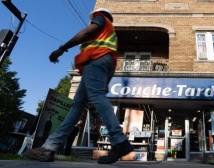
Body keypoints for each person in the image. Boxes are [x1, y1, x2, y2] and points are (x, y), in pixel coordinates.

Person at [23, 8, 133, 164]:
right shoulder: (109, 33)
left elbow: (88, 31)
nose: (92, 21)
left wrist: (62, 48)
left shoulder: (100, 18)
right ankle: (49, 147)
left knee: (95, 97)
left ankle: (119, 141)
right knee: (77, 105)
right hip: (101, 63)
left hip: (96, 59)